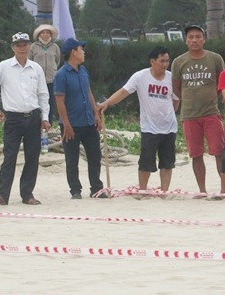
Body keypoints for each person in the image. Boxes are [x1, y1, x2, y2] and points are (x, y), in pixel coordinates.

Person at [99, 46, 178, 192]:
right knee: (146, 161)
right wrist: (107, 103)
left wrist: (169, 114)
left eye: (167, 61)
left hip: (169, 127)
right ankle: (142, 190)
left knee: (167, 162)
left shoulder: (171, 78)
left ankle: (165, 191)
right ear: (152, 61)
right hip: (149, 127)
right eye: (162, 61)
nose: (165, 64)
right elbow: (123, 92)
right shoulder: (140, 76)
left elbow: (176, 100)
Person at [0, 32, 51, 206]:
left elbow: (43, 94)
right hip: (13, 117)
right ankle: (2, 195)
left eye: (25, 45)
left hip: (33, 116)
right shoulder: (3, 66)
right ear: (13, 47)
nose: (22, 48)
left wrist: (45, 117)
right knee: (9, 156)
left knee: (32, 157)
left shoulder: (36, 68)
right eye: (18, 45)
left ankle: (27, 194)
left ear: (29, 46)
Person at [173, 25, 225, 194]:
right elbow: (176, 88)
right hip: (189, 115)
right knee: (196, 154)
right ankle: (202, 191)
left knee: (219, 152)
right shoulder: (178, 62)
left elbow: (221, 83)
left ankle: (223, 189)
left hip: (212, 113)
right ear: (186, 40)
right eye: (191, 37)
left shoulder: (215, 58)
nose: (194, 40)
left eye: (198, 36)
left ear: (204, 39)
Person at [54, 38, 106, 199]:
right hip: (72, 124)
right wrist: (66, 124)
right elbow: (60, 102)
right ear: (73, 52)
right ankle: (75, 190)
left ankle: (96, 187)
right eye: (81, 49)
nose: (84, 52)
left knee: (95, 156)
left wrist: (95, 112)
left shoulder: (83, 71)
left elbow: (88, 92)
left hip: (88, 122)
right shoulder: (61, 75)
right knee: (72, 159)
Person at [29, 24, 61, 124]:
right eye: (43, 32)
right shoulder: (33, 47)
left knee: (50, 102)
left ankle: (49, 123)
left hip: (51, 80)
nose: (45, 34)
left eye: (47, 32)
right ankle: (36, 123)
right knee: (37, 102)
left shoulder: (55, 47)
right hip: (36, 80)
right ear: (39, 34)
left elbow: (57, 60)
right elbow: (29, 60)